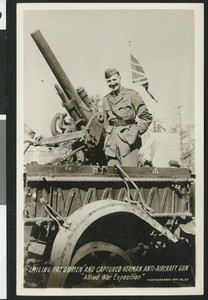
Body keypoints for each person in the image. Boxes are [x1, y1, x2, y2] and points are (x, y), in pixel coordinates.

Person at [102, 68, 152, 167]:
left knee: (130, 175)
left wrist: (136, 133)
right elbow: (105, 123)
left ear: (120, 78)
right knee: (111, 179)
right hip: (112, 145)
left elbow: (147, 117)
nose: (112, 83)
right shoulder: (106, 99)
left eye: (114, 80)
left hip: (129, 144)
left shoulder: (131, 95)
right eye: (109, 81)